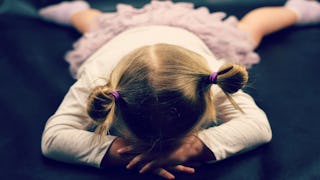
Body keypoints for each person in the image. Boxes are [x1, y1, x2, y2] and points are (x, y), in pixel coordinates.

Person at [39, 0, 320, 179]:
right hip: (119, 36)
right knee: (93, 24)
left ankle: (295, 10)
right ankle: (73, 9)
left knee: (250, 29)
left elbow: (259, 127)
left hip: (197, 35)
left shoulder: (208, 74)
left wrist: (194, 147)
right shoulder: (98, 78)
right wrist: (116, 149)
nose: (158, 149)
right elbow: (53, 139)